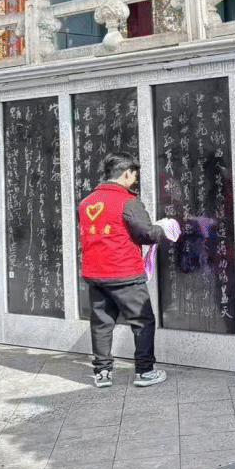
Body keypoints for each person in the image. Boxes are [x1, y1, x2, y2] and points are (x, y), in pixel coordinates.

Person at [78, 152, 180, 388]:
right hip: (124, 274)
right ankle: (144, 371)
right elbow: (146, 234)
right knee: (143, 321)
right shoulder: (127, 202)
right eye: (134, 175)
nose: (134, 180)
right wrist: (165, 228)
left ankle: (103, 373)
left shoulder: (86, 202)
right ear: (126, 174)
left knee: (101, 324)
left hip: (95, 275)